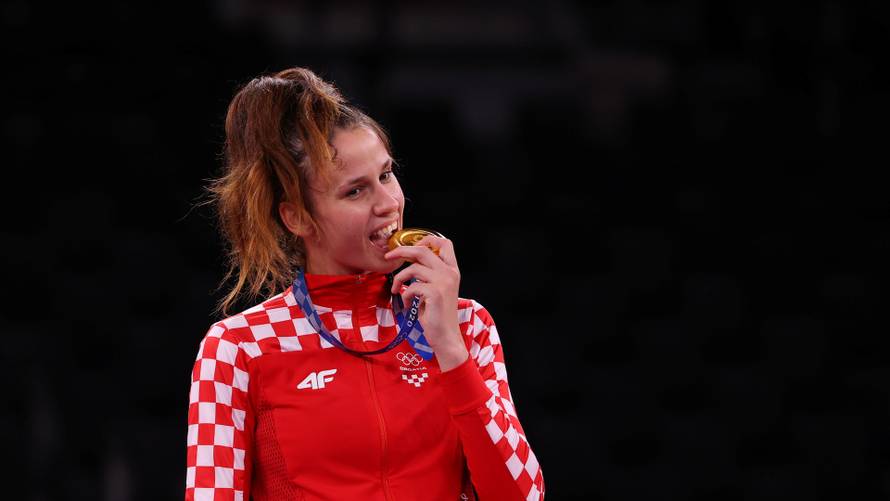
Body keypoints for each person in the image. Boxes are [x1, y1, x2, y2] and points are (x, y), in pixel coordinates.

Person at [184, 67, 545, 501]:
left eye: (387, 175)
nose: (389, 203)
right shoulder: (240, 348)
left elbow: (522, 495)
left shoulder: (467, 325)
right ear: (296, 217)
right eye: (355, 192)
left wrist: (449, 345)